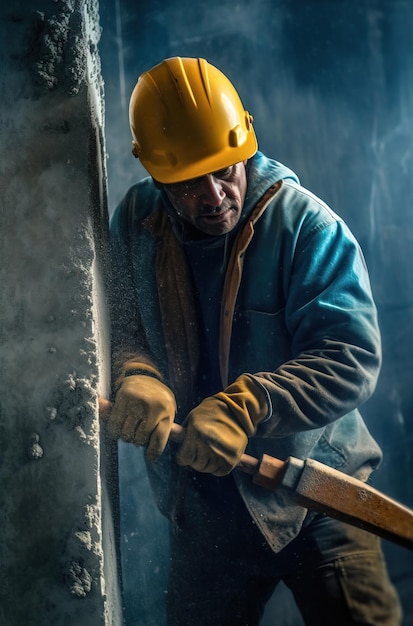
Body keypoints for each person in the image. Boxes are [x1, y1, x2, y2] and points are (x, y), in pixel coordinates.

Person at [107, 57, 401, 625]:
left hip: (318, 494)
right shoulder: (137, 222)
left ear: (245, 145)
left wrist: (248, 404)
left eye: (225, 170)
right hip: (206, 506)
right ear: (157, 176)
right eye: (189, 184)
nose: (214, 195)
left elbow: (351, 354)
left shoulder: (306, 227)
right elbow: (120, 323)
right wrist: (134, 372)